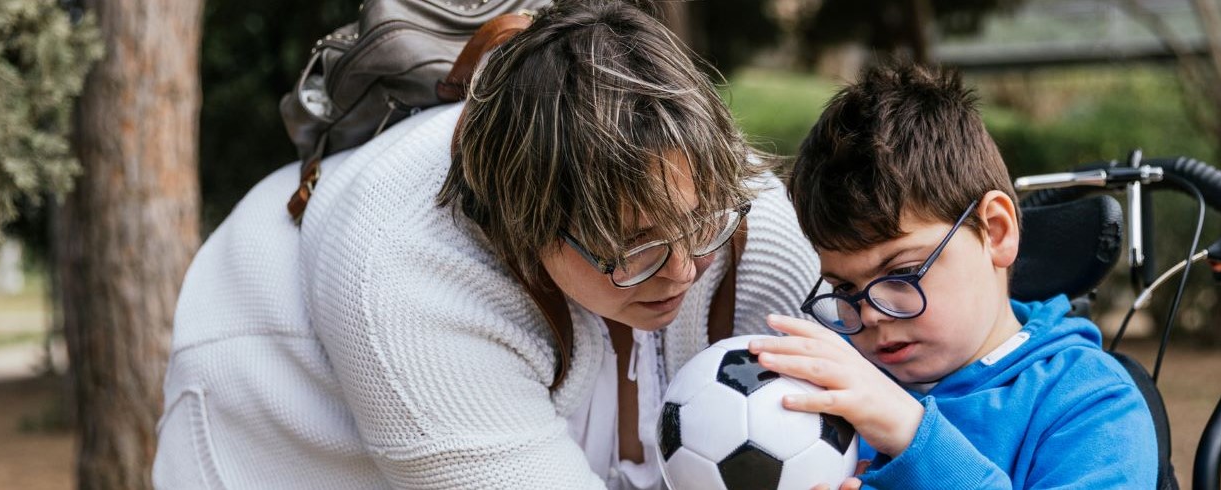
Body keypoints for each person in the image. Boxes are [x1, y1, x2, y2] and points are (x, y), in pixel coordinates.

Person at [151, 1, 818, 488]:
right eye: (636, 247)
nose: (684, 268)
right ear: (524, 235)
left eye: (700, 222)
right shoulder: (407, 285)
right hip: (271, 442)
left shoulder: (745, 213)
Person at [751, 64, 1158, 489]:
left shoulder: (1091, 403)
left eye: (902, 272)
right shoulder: (831, 399)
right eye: (844, 288)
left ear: (996, 231)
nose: (869, 314)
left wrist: (912, 434)